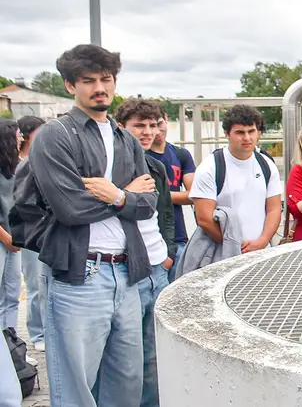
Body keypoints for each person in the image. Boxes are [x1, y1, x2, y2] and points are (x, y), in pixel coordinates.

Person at [28, 43, 158, 407]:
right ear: (70, 86)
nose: (99, 87)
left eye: (106, 79)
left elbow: (148, 203)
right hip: (79, 276)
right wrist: (126, 196)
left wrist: (115, 195)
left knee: (126, 383)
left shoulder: (126, 139)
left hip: (127, 274)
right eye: (88, 81)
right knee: (76, 387)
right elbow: (69, 207)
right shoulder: (56, 136)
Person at [114, 98, 177, 407]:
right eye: (139, 125)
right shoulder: (111, 164)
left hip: (158, 268)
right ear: (121, 127)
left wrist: (168, 251)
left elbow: (165, 212)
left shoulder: (157, 166)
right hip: (127, 270)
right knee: (124, 359)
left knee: (154, 353)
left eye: (153, 125)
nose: (148, 131)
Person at [189, 104, 282, 251]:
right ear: (227, 134)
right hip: (222, 253)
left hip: (261, 251)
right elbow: (204, 218)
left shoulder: (267, 165)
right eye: (240, 132)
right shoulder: (210, 168)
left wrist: (263, 241)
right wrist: (233, 245)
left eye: (251, 131)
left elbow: (274, 209)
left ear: (258, 133)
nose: (247, 138)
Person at [148, 112, 195, 282]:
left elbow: (194, 194)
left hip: (178, 237)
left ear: (166, 119)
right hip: (149, 241)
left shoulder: (180, 154)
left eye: (158, 123)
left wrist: (157, 194)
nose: (156, 130)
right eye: (149, 126)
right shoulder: (140, 157)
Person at [15, 116, 45, 351]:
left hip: (45, 231)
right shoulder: (17, 162)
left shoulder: (44, 159)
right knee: (33, 283)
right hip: (27, 233)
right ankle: (37, 333)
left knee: (43, 282)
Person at [0, 120, 21, 332]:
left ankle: (12, 348)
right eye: (17, 135)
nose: (21, 139)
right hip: (4, 239)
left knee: (12, 297)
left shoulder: (14, 168)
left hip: (13, 241)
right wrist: (6, 237)